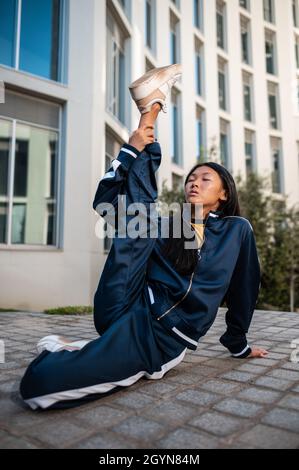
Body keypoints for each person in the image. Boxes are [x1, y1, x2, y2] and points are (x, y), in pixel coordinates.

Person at [19, 65, 268, 411]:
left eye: (206, 179)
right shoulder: (170, 226)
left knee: (37, 386)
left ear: (225, 194)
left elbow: (245, 287)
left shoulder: (236, 230)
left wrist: (238, 344)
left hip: (160, 335)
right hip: (121, 304)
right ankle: (146, 124)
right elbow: (105, 205)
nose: (194, 182)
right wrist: (130, 151)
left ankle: (75, 351)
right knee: (142, 219)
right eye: (191, 178)